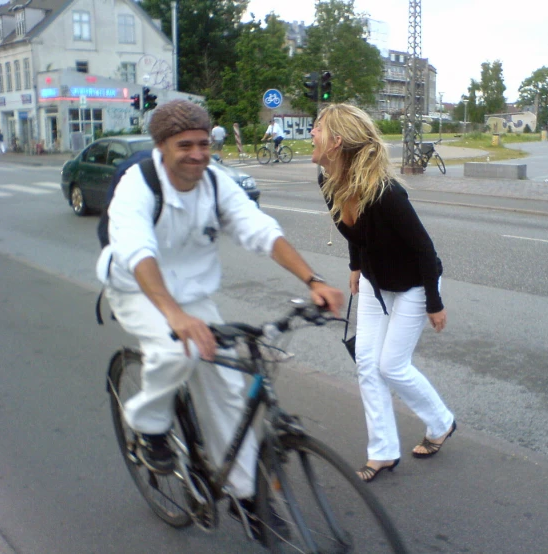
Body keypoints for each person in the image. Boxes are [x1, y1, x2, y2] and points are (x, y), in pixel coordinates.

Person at [95, 100, 343, 528]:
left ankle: (248, 500)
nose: (196, 153)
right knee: (179, 353)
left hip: (192, 296)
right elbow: (138, 252)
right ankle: (149, 424)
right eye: (184, 145)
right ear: (161, 147)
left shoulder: (214, 182)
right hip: (138, 289)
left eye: (203, 143)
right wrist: (173, 316)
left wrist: (313, 280)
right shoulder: (138, 186)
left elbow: (258, 228)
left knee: (229, 391)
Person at [310, 103, 456, 483]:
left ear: (337, 141)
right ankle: (383, 453)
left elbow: (425, 249)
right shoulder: (329, 181)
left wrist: (434, 304)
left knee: (392, 365)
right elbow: (355, 232)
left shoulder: (386, 193)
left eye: (318, 128)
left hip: (414, 285)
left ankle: (440, 423)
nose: (312, 134)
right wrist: (355, 267)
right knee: (365, 363)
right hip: (376, 283)